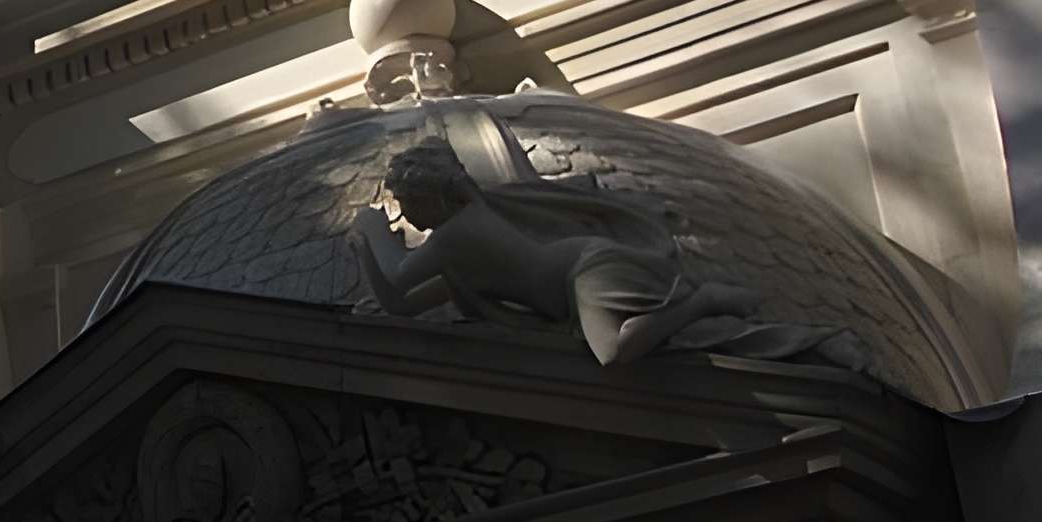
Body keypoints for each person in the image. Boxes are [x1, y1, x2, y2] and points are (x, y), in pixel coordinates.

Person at [353, 141, 856, 374]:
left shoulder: (458, 234)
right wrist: (365, 254)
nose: (407, 218)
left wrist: (372, 231)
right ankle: (738, 320)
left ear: (436, 199)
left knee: (613, 352)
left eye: (410, 205)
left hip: (588, 270)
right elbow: (400, 306)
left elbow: (398, 276)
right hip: (579, 280)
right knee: (666, 347)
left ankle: (705, 301)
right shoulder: (461, 256)